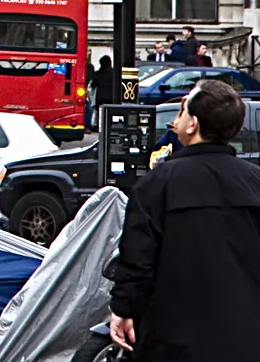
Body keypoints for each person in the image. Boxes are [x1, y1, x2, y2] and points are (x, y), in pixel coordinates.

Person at [110, 79, 260, 360]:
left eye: (181, 112)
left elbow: (138, 259)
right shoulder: (255, 182)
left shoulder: (158, 184)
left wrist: (124, 309)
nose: (176, 120)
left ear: (193, 125)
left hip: (174, 338)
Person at [87, 55, 115, 131]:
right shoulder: (115, 74)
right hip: (112, 97)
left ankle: (99, 127)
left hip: (100, 97)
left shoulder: (97, 74)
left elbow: (92, 86)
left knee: (100, 114)